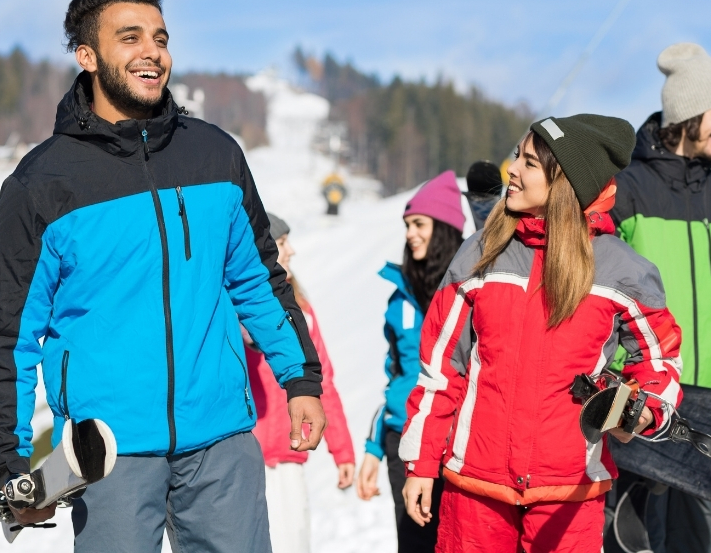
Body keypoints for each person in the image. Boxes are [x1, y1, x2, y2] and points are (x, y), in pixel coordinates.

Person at [0, 0, 326, 552]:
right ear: (87, 55)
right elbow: (10, 330)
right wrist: (9, 462)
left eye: (160, 38)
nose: (152, 53)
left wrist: (299, 377)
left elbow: (258, 278)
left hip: (221, 442)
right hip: (106, 452)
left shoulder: (215, 154)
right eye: (130, 37)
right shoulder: (43, 183)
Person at [399, 115, 684, 553]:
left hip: (569, 493)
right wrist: (421, 464)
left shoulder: (621, 270)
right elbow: (442, 369)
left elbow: (659, 361)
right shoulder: (480, 254)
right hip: (475, 490)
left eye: (529, 163)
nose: (511, 170)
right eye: (517, 157)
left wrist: (643, 409)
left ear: (565, 181)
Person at [608, 42, 711, 553]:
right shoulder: (625, 194)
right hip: (635, 405)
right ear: (688, 113)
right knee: (622, 542)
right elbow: (598, 304)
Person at [356, 171, 465, 552]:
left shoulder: (470, 292)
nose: (410, 233)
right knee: (414, 545)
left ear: (446, 228)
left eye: (419, 223)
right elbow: (395, 377)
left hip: (456, 445)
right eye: (407, 225)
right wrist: (372, 447)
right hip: (402, 441)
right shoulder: (398, 300)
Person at [247, 213, 355, 553]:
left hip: (289, 454)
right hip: (248, 457)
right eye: (281, 243)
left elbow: (324, 385)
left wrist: (343, 450)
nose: (290, 250)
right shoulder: (235, 312)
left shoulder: (302, 311)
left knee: (293, 541)